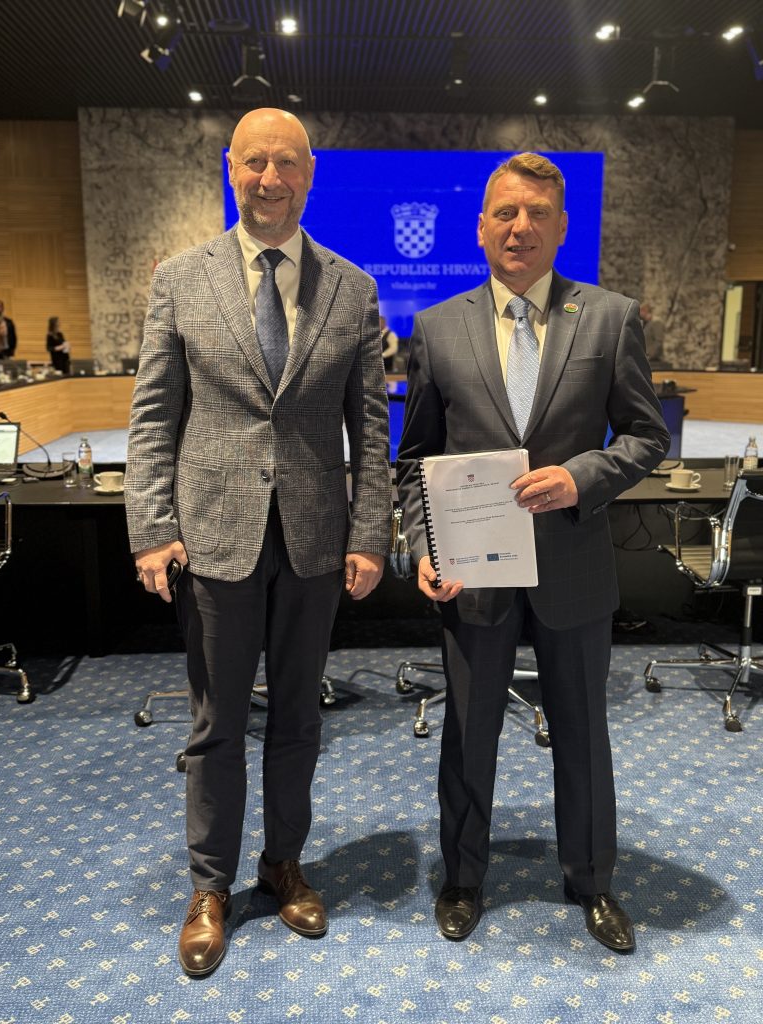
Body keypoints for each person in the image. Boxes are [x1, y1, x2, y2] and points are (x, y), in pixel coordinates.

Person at [125, 107, 391, 977]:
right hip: (213, 538)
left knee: (300, 718)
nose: (270, 179)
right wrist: (153, 528)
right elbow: (153, 417)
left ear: (309, 174)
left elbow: (370, 427)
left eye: (287, 164)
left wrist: (370, 532)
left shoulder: (353, 288)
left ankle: (283, 863)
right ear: (229, 169)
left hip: (315, 540)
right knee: (217, 725)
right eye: (255, 163)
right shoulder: (180, 279)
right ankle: (210, 885)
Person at [396, 153, 670, 953]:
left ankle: (592, 882)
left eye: (538, 214)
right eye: (506, 213)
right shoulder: (437, 328)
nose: (521, 227)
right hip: (471, 574)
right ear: (481, 228)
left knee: (582, 736)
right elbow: (415, 459)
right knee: (467, 735)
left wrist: (582, 477)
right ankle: (462, 879)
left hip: (573, 568)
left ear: (562, 227)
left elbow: (647, 436)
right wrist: (423, 543)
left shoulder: (610, 319)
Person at [639, 302, 668, 367]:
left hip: (655, 361)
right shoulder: (646, 323)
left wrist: (650, 356)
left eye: (640, 311)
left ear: (644, 311)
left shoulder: (656, 322)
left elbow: (658, 342)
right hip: (648, 359)